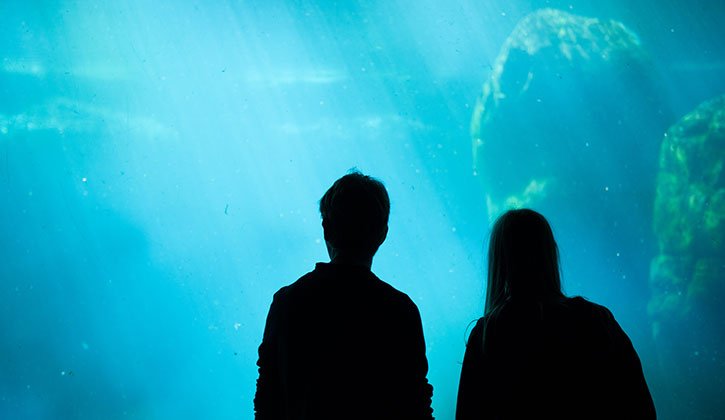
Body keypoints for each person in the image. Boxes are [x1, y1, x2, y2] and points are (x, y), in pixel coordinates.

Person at [254, 170, 434, 420]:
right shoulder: (400, 310)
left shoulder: (288, 302)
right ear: (383, 234)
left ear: (326, 228)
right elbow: (416, 406)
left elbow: (267, 400)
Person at [456, 209, 655, 419]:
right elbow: (641, 406)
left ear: (499, 260)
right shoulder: (596, 319)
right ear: (551, 253)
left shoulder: (487, 336)